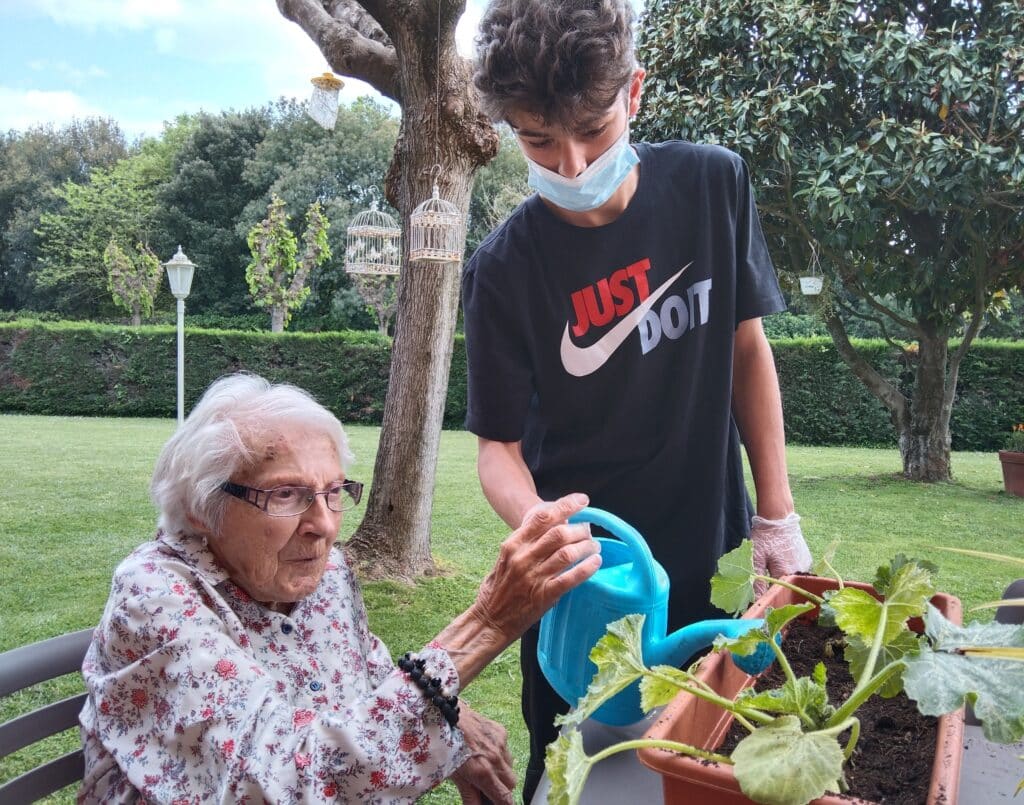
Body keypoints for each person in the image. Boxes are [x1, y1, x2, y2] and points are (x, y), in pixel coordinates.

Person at [464, 0, 813, 799]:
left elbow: (746, 347)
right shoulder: (504, 268)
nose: (575, 163)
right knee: (582, 778)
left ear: (636, 94)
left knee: (701, 769)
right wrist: (552, 540)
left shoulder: (712, 183)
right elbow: (498, 450)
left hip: (709, 551)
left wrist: (777, 512)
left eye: (593, 129)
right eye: (539, 140)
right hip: (591, 590)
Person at [78, 372, 601, 804]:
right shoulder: (156, 597)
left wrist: (452, 719)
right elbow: (283, 785)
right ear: (201, 506)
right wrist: (486, 624)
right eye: (287, 494)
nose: (324, 525)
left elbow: (365, 672)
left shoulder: (320, 573)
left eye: (333, 493)